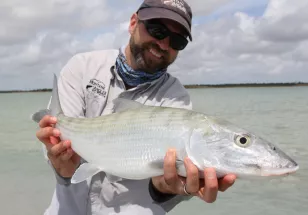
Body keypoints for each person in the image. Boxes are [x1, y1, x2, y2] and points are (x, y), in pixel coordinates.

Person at [36, 0, 237, 214]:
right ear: (133, 23)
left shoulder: (176, 99)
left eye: (177, 40)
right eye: (157, 30)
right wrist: (63, 167)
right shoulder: (82, 67)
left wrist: (168, 190)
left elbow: (161, 184)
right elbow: (61, 157)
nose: (164, 44)